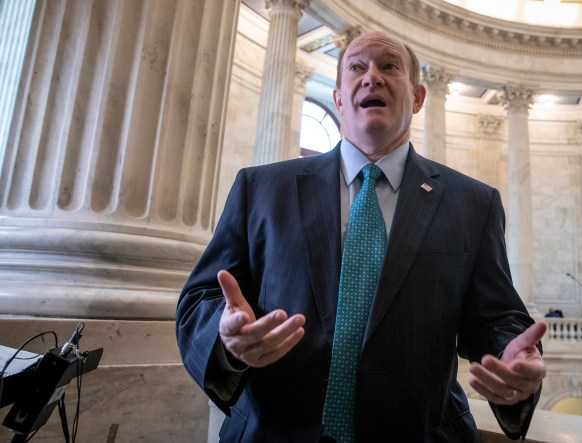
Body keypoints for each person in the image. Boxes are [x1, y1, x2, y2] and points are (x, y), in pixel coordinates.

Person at [176, 30, 546, 442]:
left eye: (389, 66)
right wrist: (226, 337)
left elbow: (496, 319)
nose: (372, 77)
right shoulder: (260, 188)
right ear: (338, 99)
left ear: (418, 97)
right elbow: (200, 300)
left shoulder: (474, 204)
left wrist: (511, 353)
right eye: (357, 67)